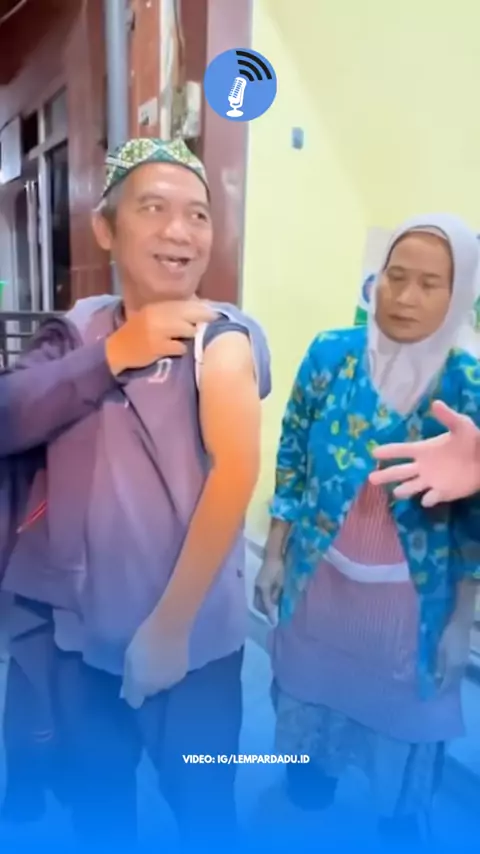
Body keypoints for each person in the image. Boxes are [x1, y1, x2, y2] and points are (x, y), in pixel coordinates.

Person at [1, 138, 271, 849]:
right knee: (98, 809)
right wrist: (115, 354)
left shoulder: (223, 340)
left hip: (193, 646)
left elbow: (235, 473)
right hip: (82, 639)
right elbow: (10, 416)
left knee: (205, 809)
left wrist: (170, 630)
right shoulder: (79, 332)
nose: (181, 231)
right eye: (154, 208)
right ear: (106, 228)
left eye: (199, 214)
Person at [254, 214, 480, 846]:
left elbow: (474, 522)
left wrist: (460, 621)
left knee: (398, 748)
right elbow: (293, 454)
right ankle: (309, 790)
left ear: (460, 295)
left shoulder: (467, 385)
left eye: (430, 284)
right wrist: (275, 553)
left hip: (409, 608)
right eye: (394, 276)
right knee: (309, 713)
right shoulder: (331, 356)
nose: (404, 297)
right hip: (319, 585)